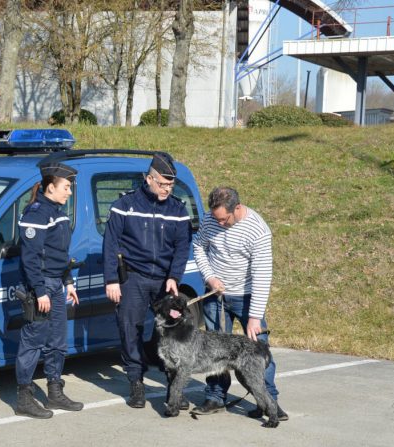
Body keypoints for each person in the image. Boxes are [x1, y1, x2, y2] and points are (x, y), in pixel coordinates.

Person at [102, 152, 191, 409]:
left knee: (171, 334)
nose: (166, 189)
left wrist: (174, 277)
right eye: (162, 184)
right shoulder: (125, 205)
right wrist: (112, 280)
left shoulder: (177, 209)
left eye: (170, 185)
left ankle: (173, 388)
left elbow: (182, 246)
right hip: (134, 278)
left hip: (164, 281)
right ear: (148, 178)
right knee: (130, 329)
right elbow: (110, 244)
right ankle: (136, 382)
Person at [191, 186, 288, 421]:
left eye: (224, 219)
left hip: (247, 298)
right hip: (216, 296)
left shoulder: (258, 230)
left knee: (258, 349)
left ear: (237, 208)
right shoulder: (210, 218)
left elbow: (262, 274)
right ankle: (215, 396)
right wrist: (210, 277)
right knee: (213, 350)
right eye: (217, 219)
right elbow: (198, 247)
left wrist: (254, 316)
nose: (220, 224)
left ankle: (268, 400)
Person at [14, 161, 83, 419]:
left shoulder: (59, 212)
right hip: (40, 286)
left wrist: (68, 282)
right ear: (51, 187)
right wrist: (39, 290)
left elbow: (59, 255)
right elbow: (30, 258)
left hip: (56, 285)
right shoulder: (36, 213)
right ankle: (24, 397)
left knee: (57, 342)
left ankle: (54, 392)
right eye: (66, 187)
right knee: (33, 342)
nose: (70, 192)